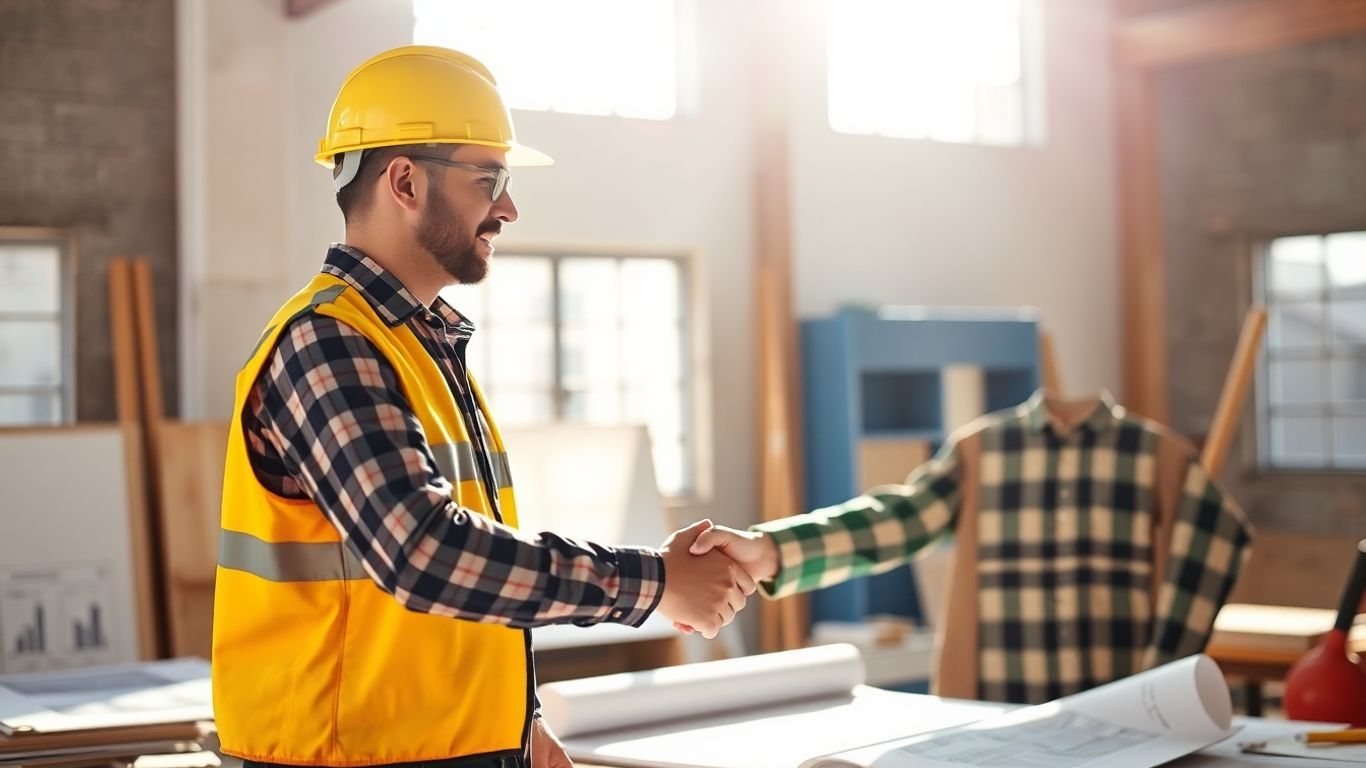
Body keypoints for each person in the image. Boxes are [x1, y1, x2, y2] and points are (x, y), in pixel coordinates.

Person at [211, 45, 753, 768]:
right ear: (404, 181)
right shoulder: (327, 343)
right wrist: (653, 582)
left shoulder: (421, 344)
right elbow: (424, 552)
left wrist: (512, 722)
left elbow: (461, 582)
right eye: (488, 178)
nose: (508, 207)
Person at [688, 390, 1252, 705]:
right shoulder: (983, 449)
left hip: (1120, 705)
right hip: (994, 710)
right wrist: (772, 548)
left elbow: (1219, 541)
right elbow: (901, 519)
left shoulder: (1154, 454)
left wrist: (1167, 669)